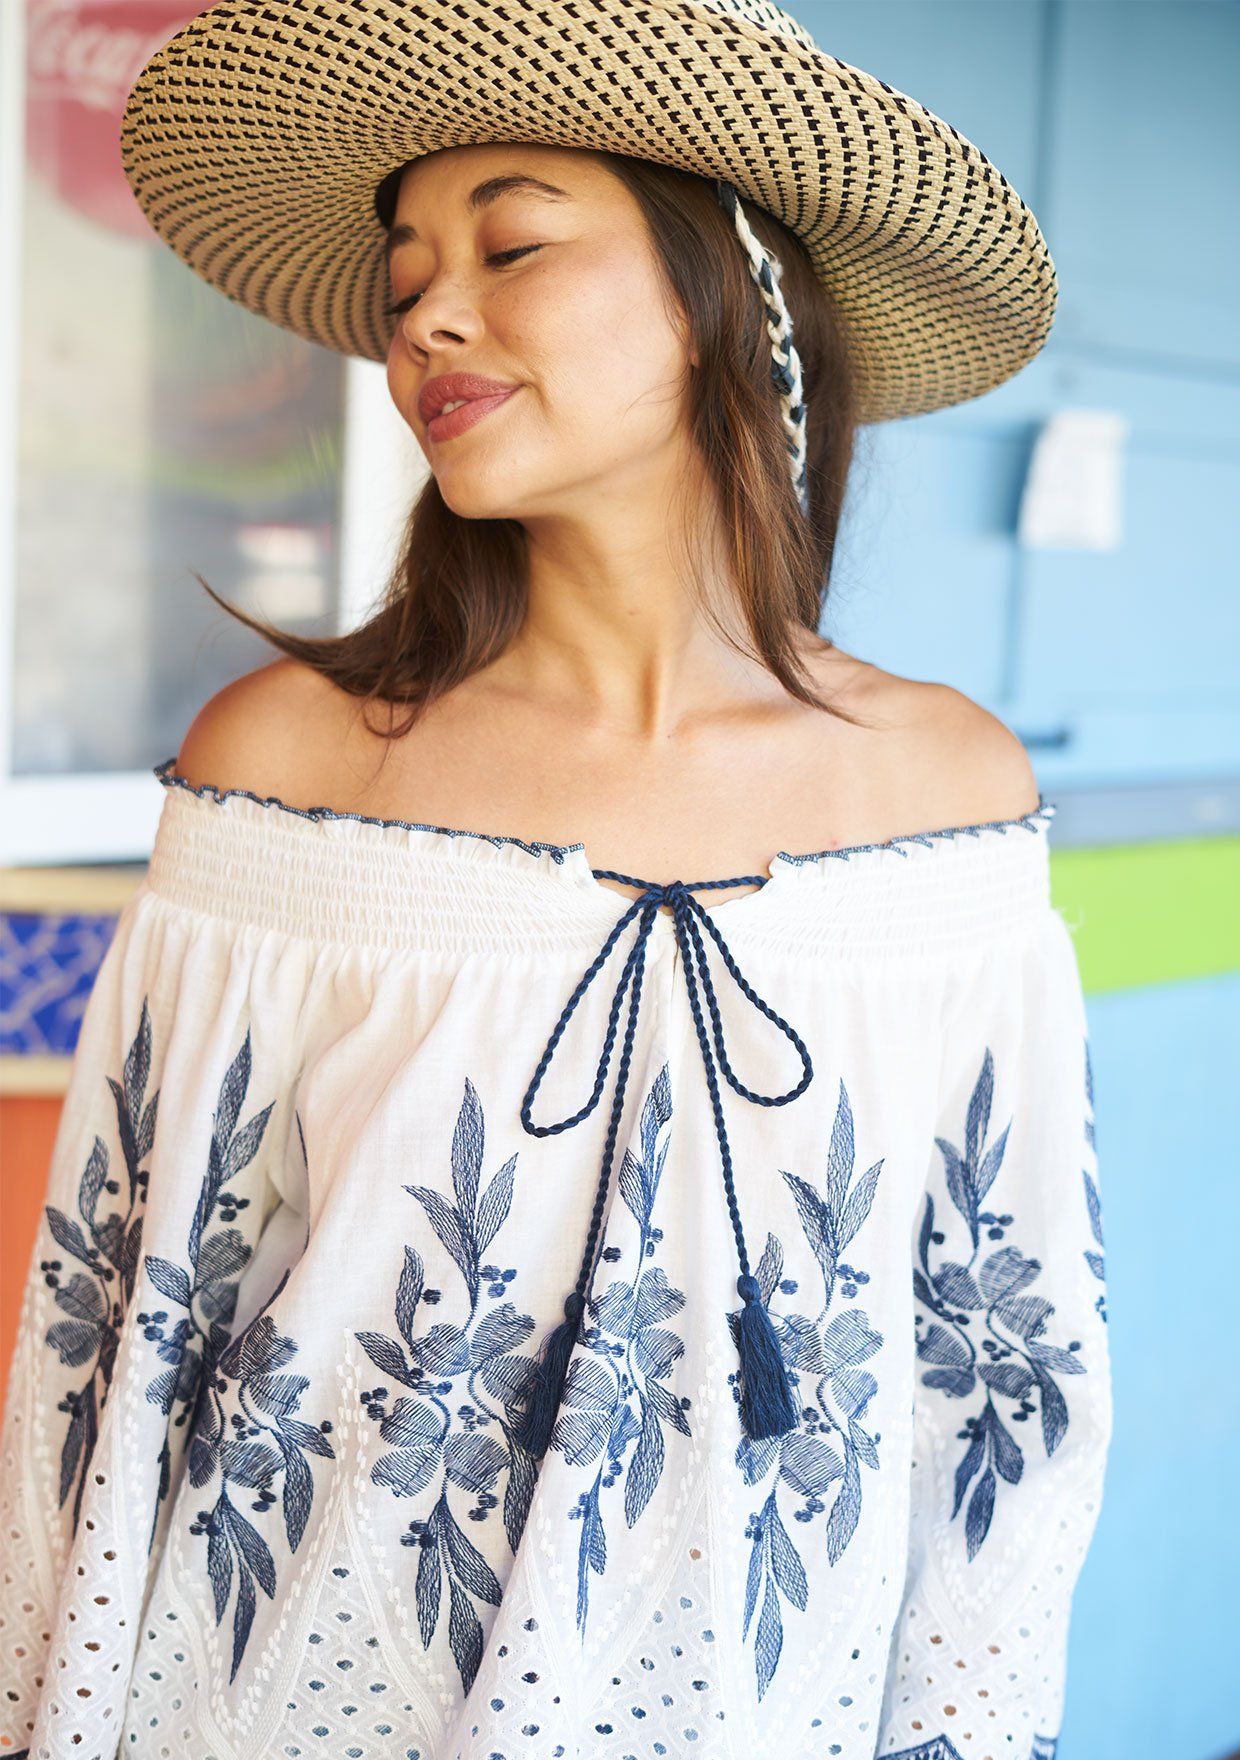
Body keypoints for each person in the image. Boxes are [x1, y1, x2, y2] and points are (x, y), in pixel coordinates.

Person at [0, 3, 1112, 1757]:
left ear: (724, 293)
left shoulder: (950, 797)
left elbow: (1002, 1378)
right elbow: (114, 1344)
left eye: (513, 243)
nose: (431, 313)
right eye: (404, 281)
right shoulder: (290, 759)